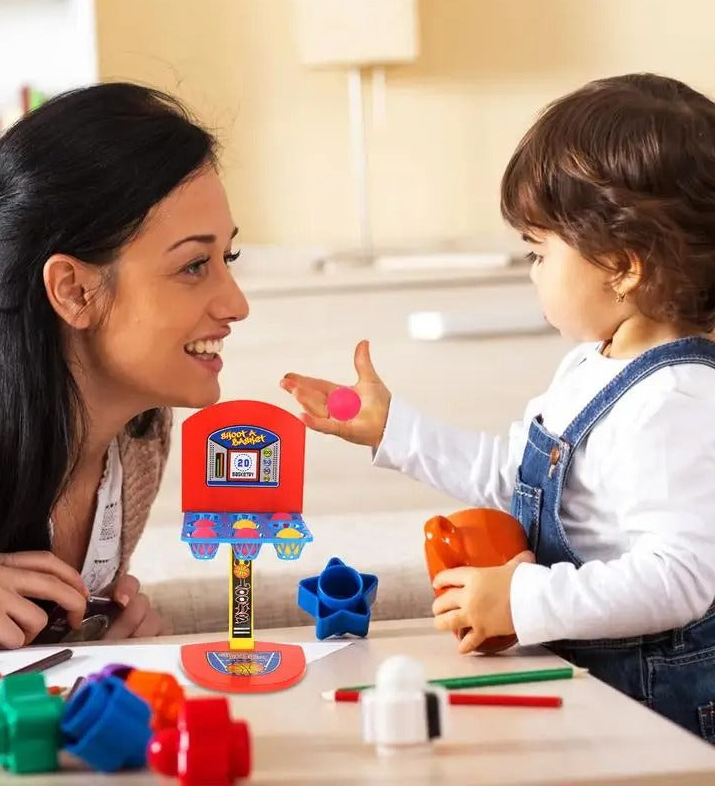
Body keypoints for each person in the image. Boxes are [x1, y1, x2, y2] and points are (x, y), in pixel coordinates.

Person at [281, 73, 715, 741]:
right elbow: (509, 473)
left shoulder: (676, 402)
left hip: (660, 711)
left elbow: (680, 578)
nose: (531, 270)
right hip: (591, 679)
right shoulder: (591, 365)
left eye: (538, 252)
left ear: (625, 266)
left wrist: (526, 599)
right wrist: (392, 428)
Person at [0, 83, 249, 649]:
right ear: (74, 290)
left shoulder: (140, 435)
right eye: (194, 265)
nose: (236, 304)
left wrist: (93, 633)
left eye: (228, 257)